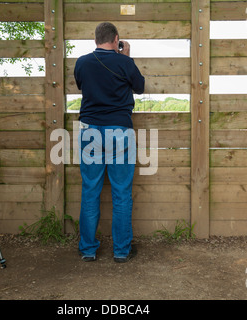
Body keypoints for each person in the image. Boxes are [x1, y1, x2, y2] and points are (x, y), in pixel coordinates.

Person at [74, 22, 145, 263]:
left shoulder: (82, 62)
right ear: (116, 39)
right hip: (120, 132)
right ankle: (122, 251)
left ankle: (88, 250)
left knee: (90, 191)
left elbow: (83, 85)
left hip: (90, 131)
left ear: (96, 39)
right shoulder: (125, 62)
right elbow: (140, 87)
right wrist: (125, 57)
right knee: (122, 193)